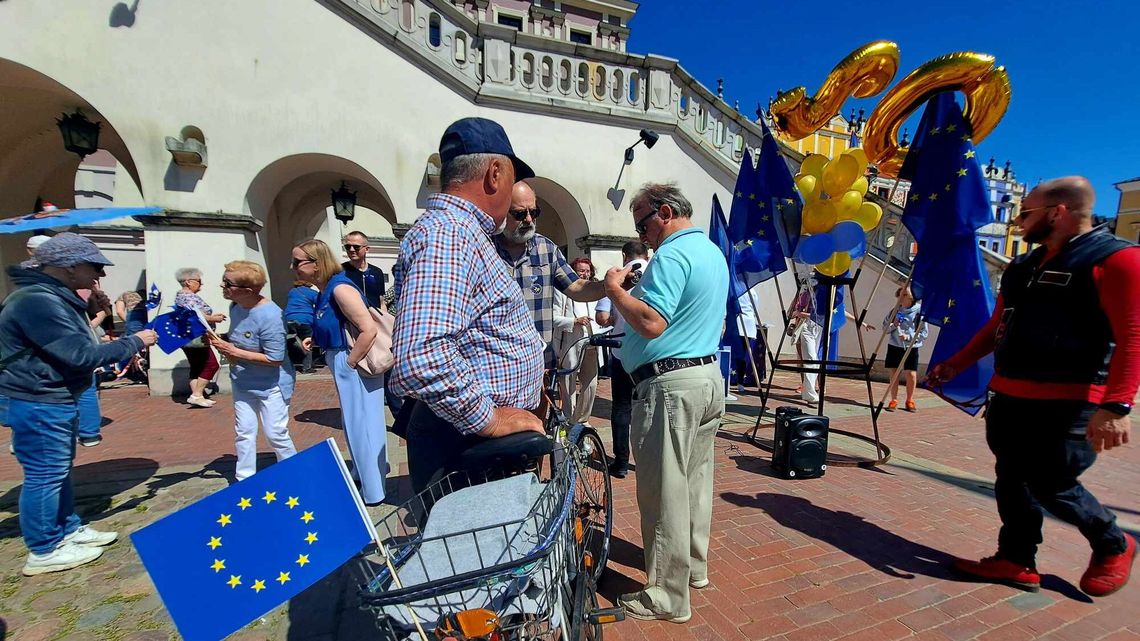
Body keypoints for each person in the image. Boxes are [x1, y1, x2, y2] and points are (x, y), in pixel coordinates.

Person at [929, 177, 1138, 597]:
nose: (1019, 221)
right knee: (1011, 479)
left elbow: (1133, 335)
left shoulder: (1118, 260)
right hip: (1010, 396)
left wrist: (1116, 406)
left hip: (1071, 401)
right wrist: (956, 363)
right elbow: (997, 326)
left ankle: (1113, 543)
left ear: (1057, 213)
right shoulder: (1023, 266)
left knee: (1051, 483)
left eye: (1026, 213)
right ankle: (1016, 558)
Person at [390, 117, 546, 495]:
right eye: (511, 179)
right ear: (495, 174)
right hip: (467, 444)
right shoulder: (450, 234)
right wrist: (489, 419)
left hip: (474, 441)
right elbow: (422, 357)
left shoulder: (461, 232)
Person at [602, 183, 728, 624]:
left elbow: (652, 322)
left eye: (642, 225)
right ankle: (693, 569)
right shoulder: (711, 251)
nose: (642, 235)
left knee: (663, 491)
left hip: (671, 386)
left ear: (666, 212)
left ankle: (667, 596)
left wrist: (616, 291)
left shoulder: (672, 255)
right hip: (706, 377)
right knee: (694, 484)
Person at [0, 233, 157, 575]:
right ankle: (44, 549)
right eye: (95, 266)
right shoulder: (37, 301)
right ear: (70, 267)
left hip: (51, 396)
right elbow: (80, 355)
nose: (101, 273)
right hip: (38, 400)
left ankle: (67, 529)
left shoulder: (50, 295)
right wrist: (135, 341)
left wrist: (95, 308)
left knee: (58, 471)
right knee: (45, 474)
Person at [292, 239, 388, 505]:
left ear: (316, 262)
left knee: (362, 425)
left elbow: (368, 329)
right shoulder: (328, 288)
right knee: (355, 423)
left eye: (297, 262)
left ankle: (373, 490)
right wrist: (317, 338)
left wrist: (350, 362)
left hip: (352, 359)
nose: (293, 267)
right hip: (343, 357)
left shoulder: (340, 288)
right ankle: (365, 475)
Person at [494, 180, 606, 366]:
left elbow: (577, 287)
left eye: (534, 212)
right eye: (520, 214)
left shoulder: (546, 249)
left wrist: (609, 286)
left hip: (539, 361)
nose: (528, 219)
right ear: (501, 211)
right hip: (496, 363)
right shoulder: (484, 247)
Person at [208, 261, 297, 481]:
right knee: (244, 432)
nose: (223, 286)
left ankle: (294, 473)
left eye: (228, 283)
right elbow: (240, 339)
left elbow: (274, 359)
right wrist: (221, 340)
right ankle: (244, 478)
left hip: (272, 384)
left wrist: (232, 350)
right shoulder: (236, 307)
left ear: (248, 291)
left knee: (275, 433)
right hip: (243, 380)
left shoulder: (271, 316)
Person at [595, 241, 649, 478]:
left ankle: (621, 463)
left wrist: (614, 319)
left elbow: (602, 317)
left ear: (624, 255)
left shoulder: (616, 277)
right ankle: (647, 461)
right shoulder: (657, 272)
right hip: (650, 354)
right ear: (647, 255)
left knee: (621, 408)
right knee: (648, 409)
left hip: (622, 352)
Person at [553, 257, 603, 426]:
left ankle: (582, 420)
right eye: (581, 271)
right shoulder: (562, 291)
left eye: (588, 271)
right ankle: (568, 419)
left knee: (591, 383)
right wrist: (574, 321)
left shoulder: (594, 290)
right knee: (568, 383)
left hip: (592, 342)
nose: (585, 274)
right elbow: (553, 318)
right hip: (571, 342)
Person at [174, 268, 226, 408]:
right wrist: (214, 318)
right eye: (198, 281)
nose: (201, 284)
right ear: (188, 282)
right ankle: (197, 394)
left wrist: (211, 318)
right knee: (212, 364)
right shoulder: (187, 296)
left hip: (187, 336)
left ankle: (198, 397)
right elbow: (195, 316)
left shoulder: (181, 296)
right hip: (196, 336)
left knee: (197, 366)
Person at [883, 286, 927, 412]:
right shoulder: (895, 310)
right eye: (899, 295)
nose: (900, 298)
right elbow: (885, 328)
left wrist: (909, 337)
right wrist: (894, 325)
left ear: (911, 297)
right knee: (894, 373)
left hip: (911, 347)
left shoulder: (919, 312)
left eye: (904, 295)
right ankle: (894, 400)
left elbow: (924, 333)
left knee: (911, 374)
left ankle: (910, 400)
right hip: (894, 346)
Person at [340, 230, 386, 309]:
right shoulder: (340, 271)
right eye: (348, 247)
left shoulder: (376, 272)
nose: (351, 250)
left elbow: (381, 302)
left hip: (374, 315)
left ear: (366, 249)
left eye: (356, 247)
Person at [284, 280, 318, 373]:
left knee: (290, 342)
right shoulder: (312, 292)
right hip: (305, 319)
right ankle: (307, 367)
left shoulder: (292, 291)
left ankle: (290, 364)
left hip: (289, 319)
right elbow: (320, 303)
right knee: (307, 341)